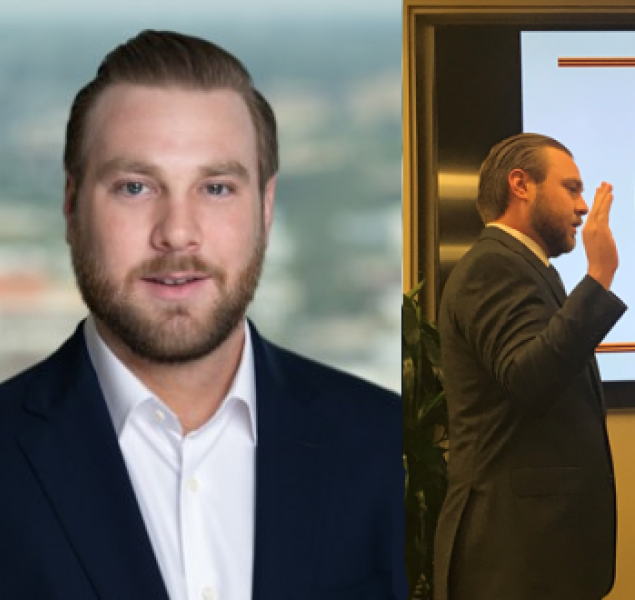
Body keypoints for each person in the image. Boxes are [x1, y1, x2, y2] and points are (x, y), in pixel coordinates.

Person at [0, 31, 404, 599]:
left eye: (215, 188)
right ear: (71, 206)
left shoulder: (395, 451)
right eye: (135, 186)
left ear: (265, 208)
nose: (177, 233)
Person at [434, 133, 626, 600]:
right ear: (521, 185)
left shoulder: (526, 267)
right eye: (571, 189)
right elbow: (530, 379)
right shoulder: (493, 266)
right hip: (510, 556)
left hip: (534, 553)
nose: (583, 207)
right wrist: (598, 277)